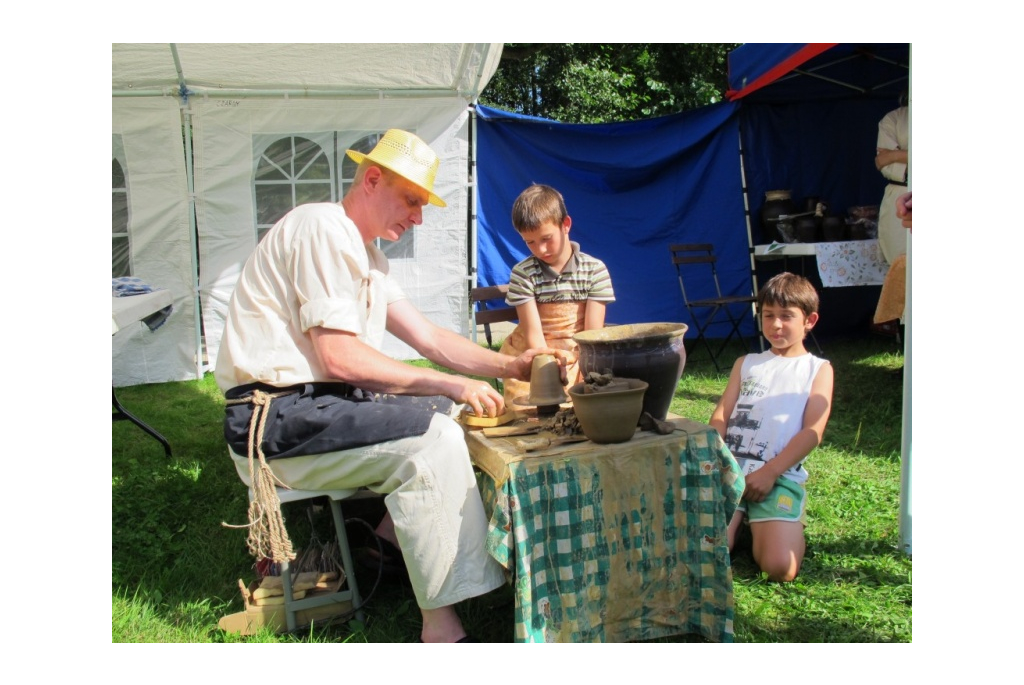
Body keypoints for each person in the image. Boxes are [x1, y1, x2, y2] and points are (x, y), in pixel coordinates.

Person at [214, 129, 566, 643]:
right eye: (411, 201)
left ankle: (386, 545)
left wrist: (507, 368)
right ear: (372, 179)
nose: (418, 217)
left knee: (451, 416)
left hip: (313, 406)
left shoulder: (369, 258)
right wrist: (448, 384)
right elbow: (341, 357)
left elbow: (429, 337)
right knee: (435, 437)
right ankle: (441, 629)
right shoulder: (321, 229)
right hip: (271, 419)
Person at [709, 272, 834, 583]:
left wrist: (770, 472)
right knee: (707, 552)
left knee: (780, 568)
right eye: (768, 316)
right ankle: (742, 522)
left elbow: (812, 432)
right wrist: (718, 459)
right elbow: (721, 414)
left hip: (777, 475)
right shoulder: (746, 362)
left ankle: (760, 522)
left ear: (810, 320)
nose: (776, 325)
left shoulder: (818, 369)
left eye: (786, 316)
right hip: (731, 472)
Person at [498, 184, 615, 405]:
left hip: (579, 354)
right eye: (530, 242)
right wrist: (550, 367)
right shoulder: (523, 274)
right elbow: (533, 335)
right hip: (533, 355)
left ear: (566, 225)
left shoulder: (595, 270)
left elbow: (592, 335)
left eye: (546, 238)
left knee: (588, 402)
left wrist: (573, 360)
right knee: (530, 409)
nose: (540, 250)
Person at [875, 97, 910, 265]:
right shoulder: (894, 118)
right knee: (901, 265)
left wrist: (895, 155)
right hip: (900, 192)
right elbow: (884, 163)